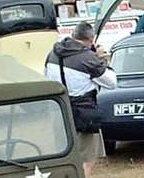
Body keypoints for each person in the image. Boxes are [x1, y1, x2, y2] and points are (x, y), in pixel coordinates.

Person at [46, 22, 118, 157]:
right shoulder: (88, 58)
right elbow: (112, 82)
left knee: (66, 157)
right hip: (83, 113)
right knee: (87, 158)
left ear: (73, 35)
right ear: (91, 40)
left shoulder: (53, 54)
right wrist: (100, 58)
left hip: (59, 111)